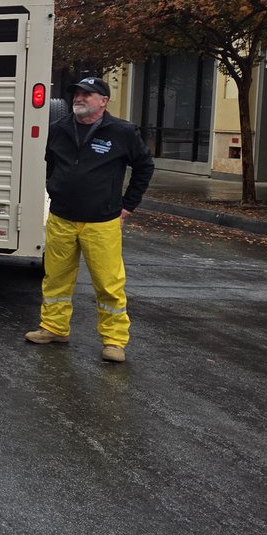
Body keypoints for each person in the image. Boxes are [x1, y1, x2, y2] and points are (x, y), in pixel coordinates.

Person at [26, 77, 155, 362]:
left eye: (87, 94)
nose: (79, 98)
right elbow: (51, 165)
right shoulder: (59, 130)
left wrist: (128, 205)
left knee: (108, 284)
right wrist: (55, 189)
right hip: (62, 217)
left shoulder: (121, 132)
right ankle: (54, 328)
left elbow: (144, 166)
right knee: (55, 278)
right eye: (76, 94)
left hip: (102, 221)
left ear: (103, 101)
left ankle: (114, 341)